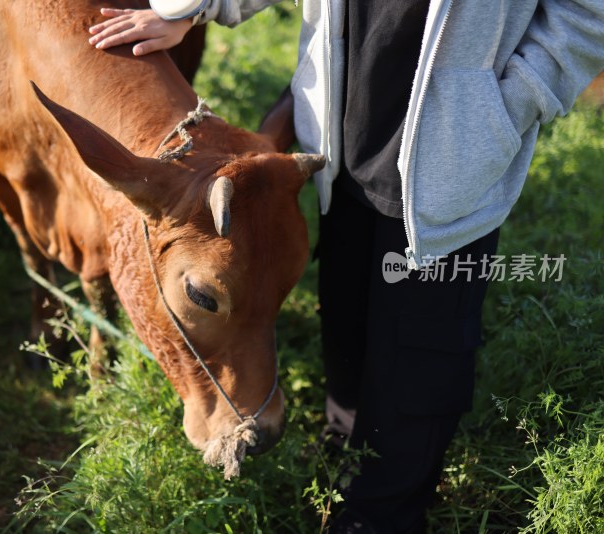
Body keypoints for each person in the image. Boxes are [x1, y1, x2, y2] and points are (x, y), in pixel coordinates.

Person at [89, 1, 604, 532]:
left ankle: (381, 513)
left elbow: (585, 12)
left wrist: (511, 102)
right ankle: (344, 453)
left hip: (455, 159)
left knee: (423, 351)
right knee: (347, 318)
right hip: (339, 139)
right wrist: (198, 7)